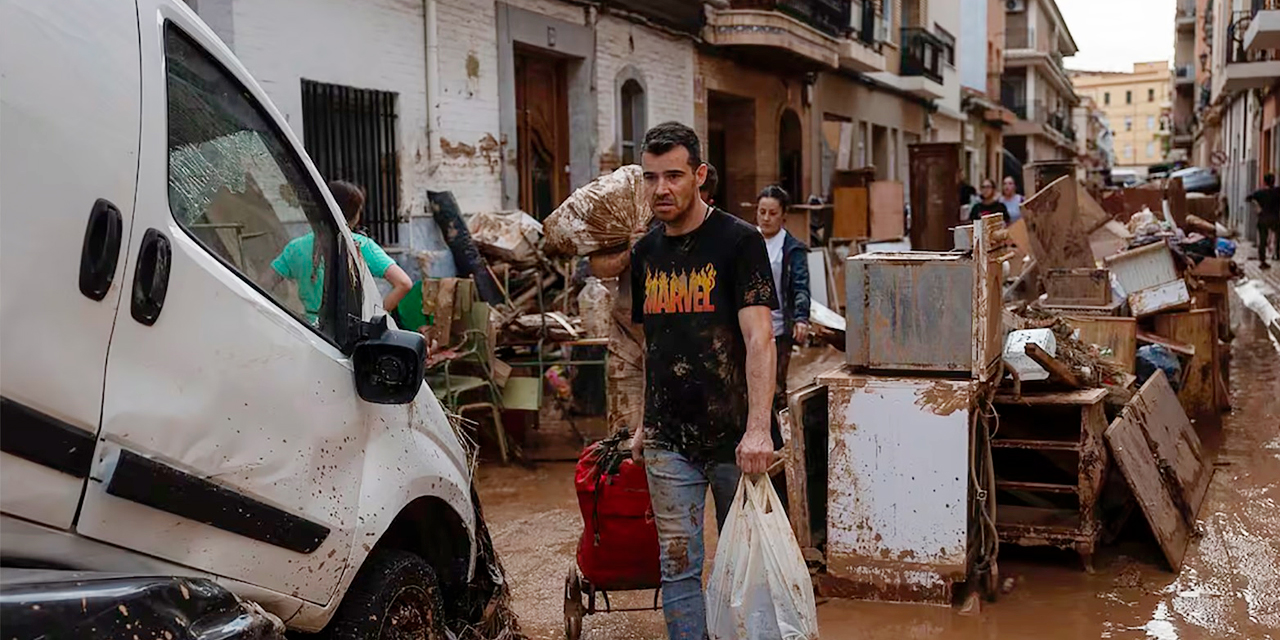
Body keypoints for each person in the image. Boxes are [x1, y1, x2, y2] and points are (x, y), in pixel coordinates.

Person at [627, 122, 777, 640]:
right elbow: (656, 347)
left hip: (734, 438)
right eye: (651, 178)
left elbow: (760, 339)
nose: (661, 189)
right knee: (678, 566)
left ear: (700, 175)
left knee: (748, 563)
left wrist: (759, 429)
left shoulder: (739, 241)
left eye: (673, 175)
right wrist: (645, 422)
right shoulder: (645, 254)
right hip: (669, 439)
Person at [589, 165, 718, 436]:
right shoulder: (635, 217)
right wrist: (631, 252)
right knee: (623, 435)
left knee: (673, 436)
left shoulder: (717, 236)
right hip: (627, 340)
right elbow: (599, 267)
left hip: (679, 346)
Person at [267, 180, 413, 323]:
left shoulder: (297, 247)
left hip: (310, 331)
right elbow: (404, 283)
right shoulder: (360, 246)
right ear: (355, 214)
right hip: (349, 333)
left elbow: (264, 284)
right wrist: (375, 316)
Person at [754, 185, 810, 447]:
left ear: (783, 215)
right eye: (762, 212)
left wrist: (801, 318)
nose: (766, 218)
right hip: (750, 327)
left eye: (772, 213)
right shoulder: (746, 242)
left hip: (778, 327)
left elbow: (801, 285)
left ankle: (779, 443)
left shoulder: (792, 249)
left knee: (775, 387)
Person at [1246, 173, 1280, 269]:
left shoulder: (1260, 193)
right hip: (1275, 219)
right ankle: (1277, 254)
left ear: (1264, 182)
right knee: (1279, 236)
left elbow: (1248, 198)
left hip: (1263, 218)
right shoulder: (1278, 191)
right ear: (1273, 181)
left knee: (1262, 240)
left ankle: (1263, 260)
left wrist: (1257, 205)